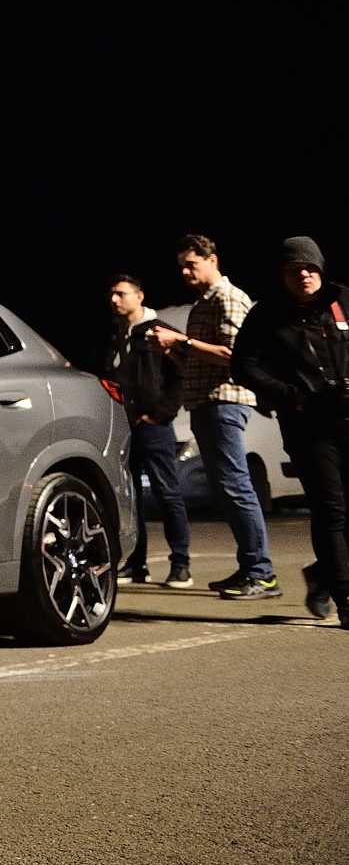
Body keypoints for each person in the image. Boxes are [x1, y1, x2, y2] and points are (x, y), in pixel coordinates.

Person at [230, 236, 349, 626]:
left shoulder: (343, 301)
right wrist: (288, 394)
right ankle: (346, 597)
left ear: (321, 268)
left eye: (310, 267)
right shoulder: (266, 315)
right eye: (294, 269)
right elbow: (243, 366)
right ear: (282, 275)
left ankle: (322, 575)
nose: (303, 274)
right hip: (308, 426)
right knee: (331, 510)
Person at [150, 234, 276, 599]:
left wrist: (181, 342)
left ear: (213, 260)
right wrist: (172, 352)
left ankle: (262, 573)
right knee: (227, 490)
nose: (185, 272)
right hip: (205, 402)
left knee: (236, 487)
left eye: (192, 264)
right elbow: (200, 360)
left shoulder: (228, 297)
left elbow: (233, 354)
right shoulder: (203, 304)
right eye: (181, 266)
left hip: (224, 401)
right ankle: (250, 567)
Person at [104, 274, 192, 587]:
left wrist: (160, 414)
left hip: (154, 427)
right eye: (112, 294)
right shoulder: (118, 334)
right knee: (131, 498)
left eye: (121, 294)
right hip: (125, 428)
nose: (114, 300)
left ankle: (181, 564)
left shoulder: (160, 331)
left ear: (139, 296)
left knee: (167, 493)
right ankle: (137, 563)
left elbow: (180, 376)